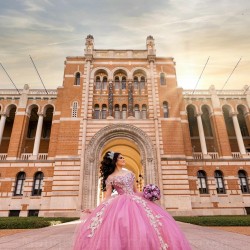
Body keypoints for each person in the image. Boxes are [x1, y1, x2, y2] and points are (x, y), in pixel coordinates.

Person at [73, 151, 192, 250]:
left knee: (145, 228)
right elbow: (107, 197)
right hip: (118, 204)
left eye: (123, 157)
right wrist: (95, 209)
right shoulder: (110, 178)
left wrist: (149, 193)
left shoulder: (130, 173)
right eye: (121, 157)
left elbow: (136, 191)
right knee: (121, 227)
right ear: (115, 161)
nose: (123, 159)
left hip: (136, 202)